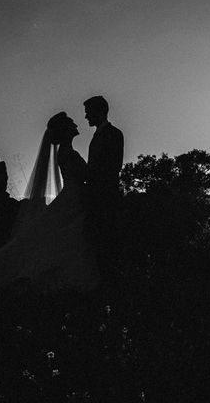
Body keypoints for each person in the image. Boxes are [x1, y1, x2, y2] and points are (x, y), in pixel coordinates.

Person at [0, 112, 99, 293]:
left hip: (74, 196)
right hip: (74, 197)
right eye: (71, 123)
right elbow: (84, 175)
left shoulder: (66, 151)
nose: (76, 124)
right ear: (65, 130)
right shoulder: (67, 152)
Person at [83, 96, 124, 286]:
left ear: (100, 111)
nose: (85, 117)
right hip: (94, 197)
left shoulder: (114, 134)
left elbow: (113, 166)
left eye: (88, 112)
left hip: (106, 198)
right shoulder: (97, 136)